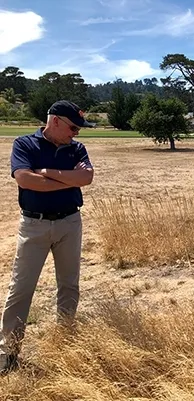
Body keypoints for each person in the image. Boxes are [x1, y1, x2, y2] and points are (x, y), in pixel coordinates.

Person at [0, 100, 95, 374]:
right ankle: (9, 351)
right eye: (73, 127)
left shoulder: (76, 148)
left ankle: (65, 339)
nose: (76, 133)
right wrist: (68, 179)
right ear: (55, 121)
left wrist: (46, 173)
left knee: (69, 285)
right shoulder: (24, 145)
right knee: (21, 288)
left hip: (69, 222)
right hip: (34, 225)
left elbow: (86, 178)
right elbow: (25, 180)